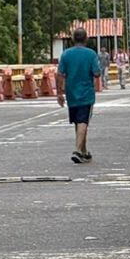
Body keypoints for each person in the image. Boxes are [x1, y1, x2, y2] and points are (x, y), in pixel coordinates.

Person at [56, 28, 103, 164]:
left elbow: (60, 75)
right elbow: (97, 73)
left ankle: (84, 151)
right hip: (86, 93)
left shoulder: (66, 54)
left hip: (71, 93)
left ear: (73, 39)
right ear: (86, 39)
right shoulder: (91, 54)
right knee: (83, 121)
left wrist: (59, 93)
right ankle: (77, 150)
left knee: (78, 121)